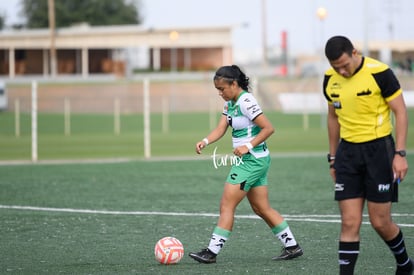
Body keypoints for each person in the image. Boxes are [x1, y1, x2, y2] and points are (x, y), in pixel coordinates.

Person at [188, 65, 303, 264]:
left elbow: (268, 128)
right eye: (217, 90)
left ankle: (211, 252)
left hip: (251, 162)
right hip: (257, 161)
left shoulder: (246, 101)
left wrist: (247, 146)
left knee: (226, 205)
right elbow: (221, 128)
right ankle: (292, 247)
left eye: (222, 89)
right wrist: (205, 141)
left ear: (234, 84)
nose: (220, 93)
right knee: (261, 208)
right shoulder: (229, 104)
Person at [323, 35, 412, 275]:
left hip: (379, 151)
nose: (341, 71)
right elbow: (333, 118)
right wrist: (332, 157)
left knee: (380, 222)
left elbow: (401, 112)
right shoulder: (329, 79)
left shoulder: (380, 72)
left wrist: (400, 153)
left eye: (344, 64)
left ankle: (404, 264)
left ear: (354, 52)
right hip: (347, 154)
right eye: (335, 67)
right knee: (350, 222)